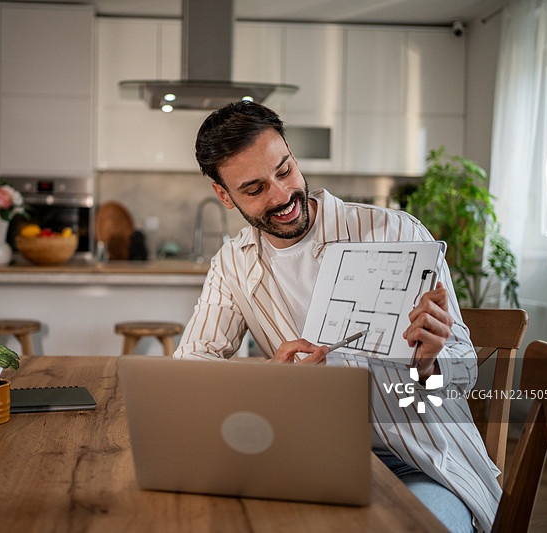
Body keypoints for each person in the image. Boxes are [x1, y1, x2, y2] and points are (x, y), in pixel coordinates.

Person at [174, 101, 501, 533]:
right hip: (308, 463)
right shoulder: (232, 264)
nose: (281, 196)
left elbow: (462, 372)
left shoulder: (395, 233)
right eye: (254, 189)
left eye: (285, 170)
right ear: (224, 196)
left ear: (292, 154)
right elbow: (190, 370)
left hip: (423, 464)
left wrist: (428, 365)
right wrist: (267, 377)